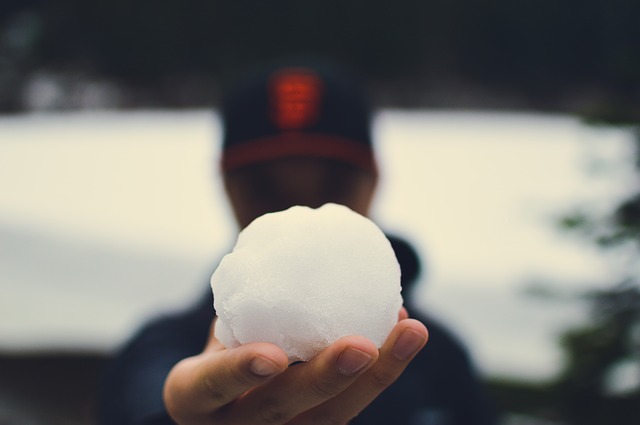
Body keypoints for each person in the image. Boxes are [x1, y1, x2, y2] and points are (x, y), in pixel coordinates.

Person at [98, 61, 497, 425]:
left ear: (375, 180)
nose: (299, 210)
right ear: (226, 188)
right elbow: (147, 396)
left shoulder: (437, 358)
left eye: (332, 184)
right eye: (264, 187)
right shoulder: (165, 348)